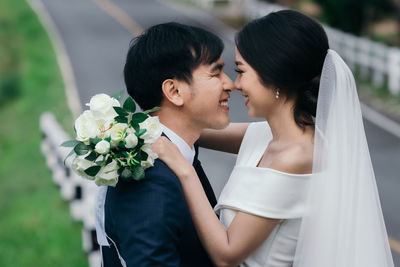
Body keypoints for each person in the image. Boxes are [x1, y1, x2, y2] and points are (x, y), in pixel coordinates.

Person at [152, 10, 395, 267]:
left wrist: (184, 170)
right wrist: (118, 128)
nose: (235, 84)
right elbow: (190, 129)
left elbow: (227, 254)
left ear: (273, 74)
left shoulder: (298, 156)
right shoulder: (265, 136)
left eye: (241, 71)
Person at [96, 22, 234, 266]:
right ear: (175, 91)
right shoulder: (149, 179)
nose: (230, 84)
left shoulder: (177, 150)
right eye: (216, 73)